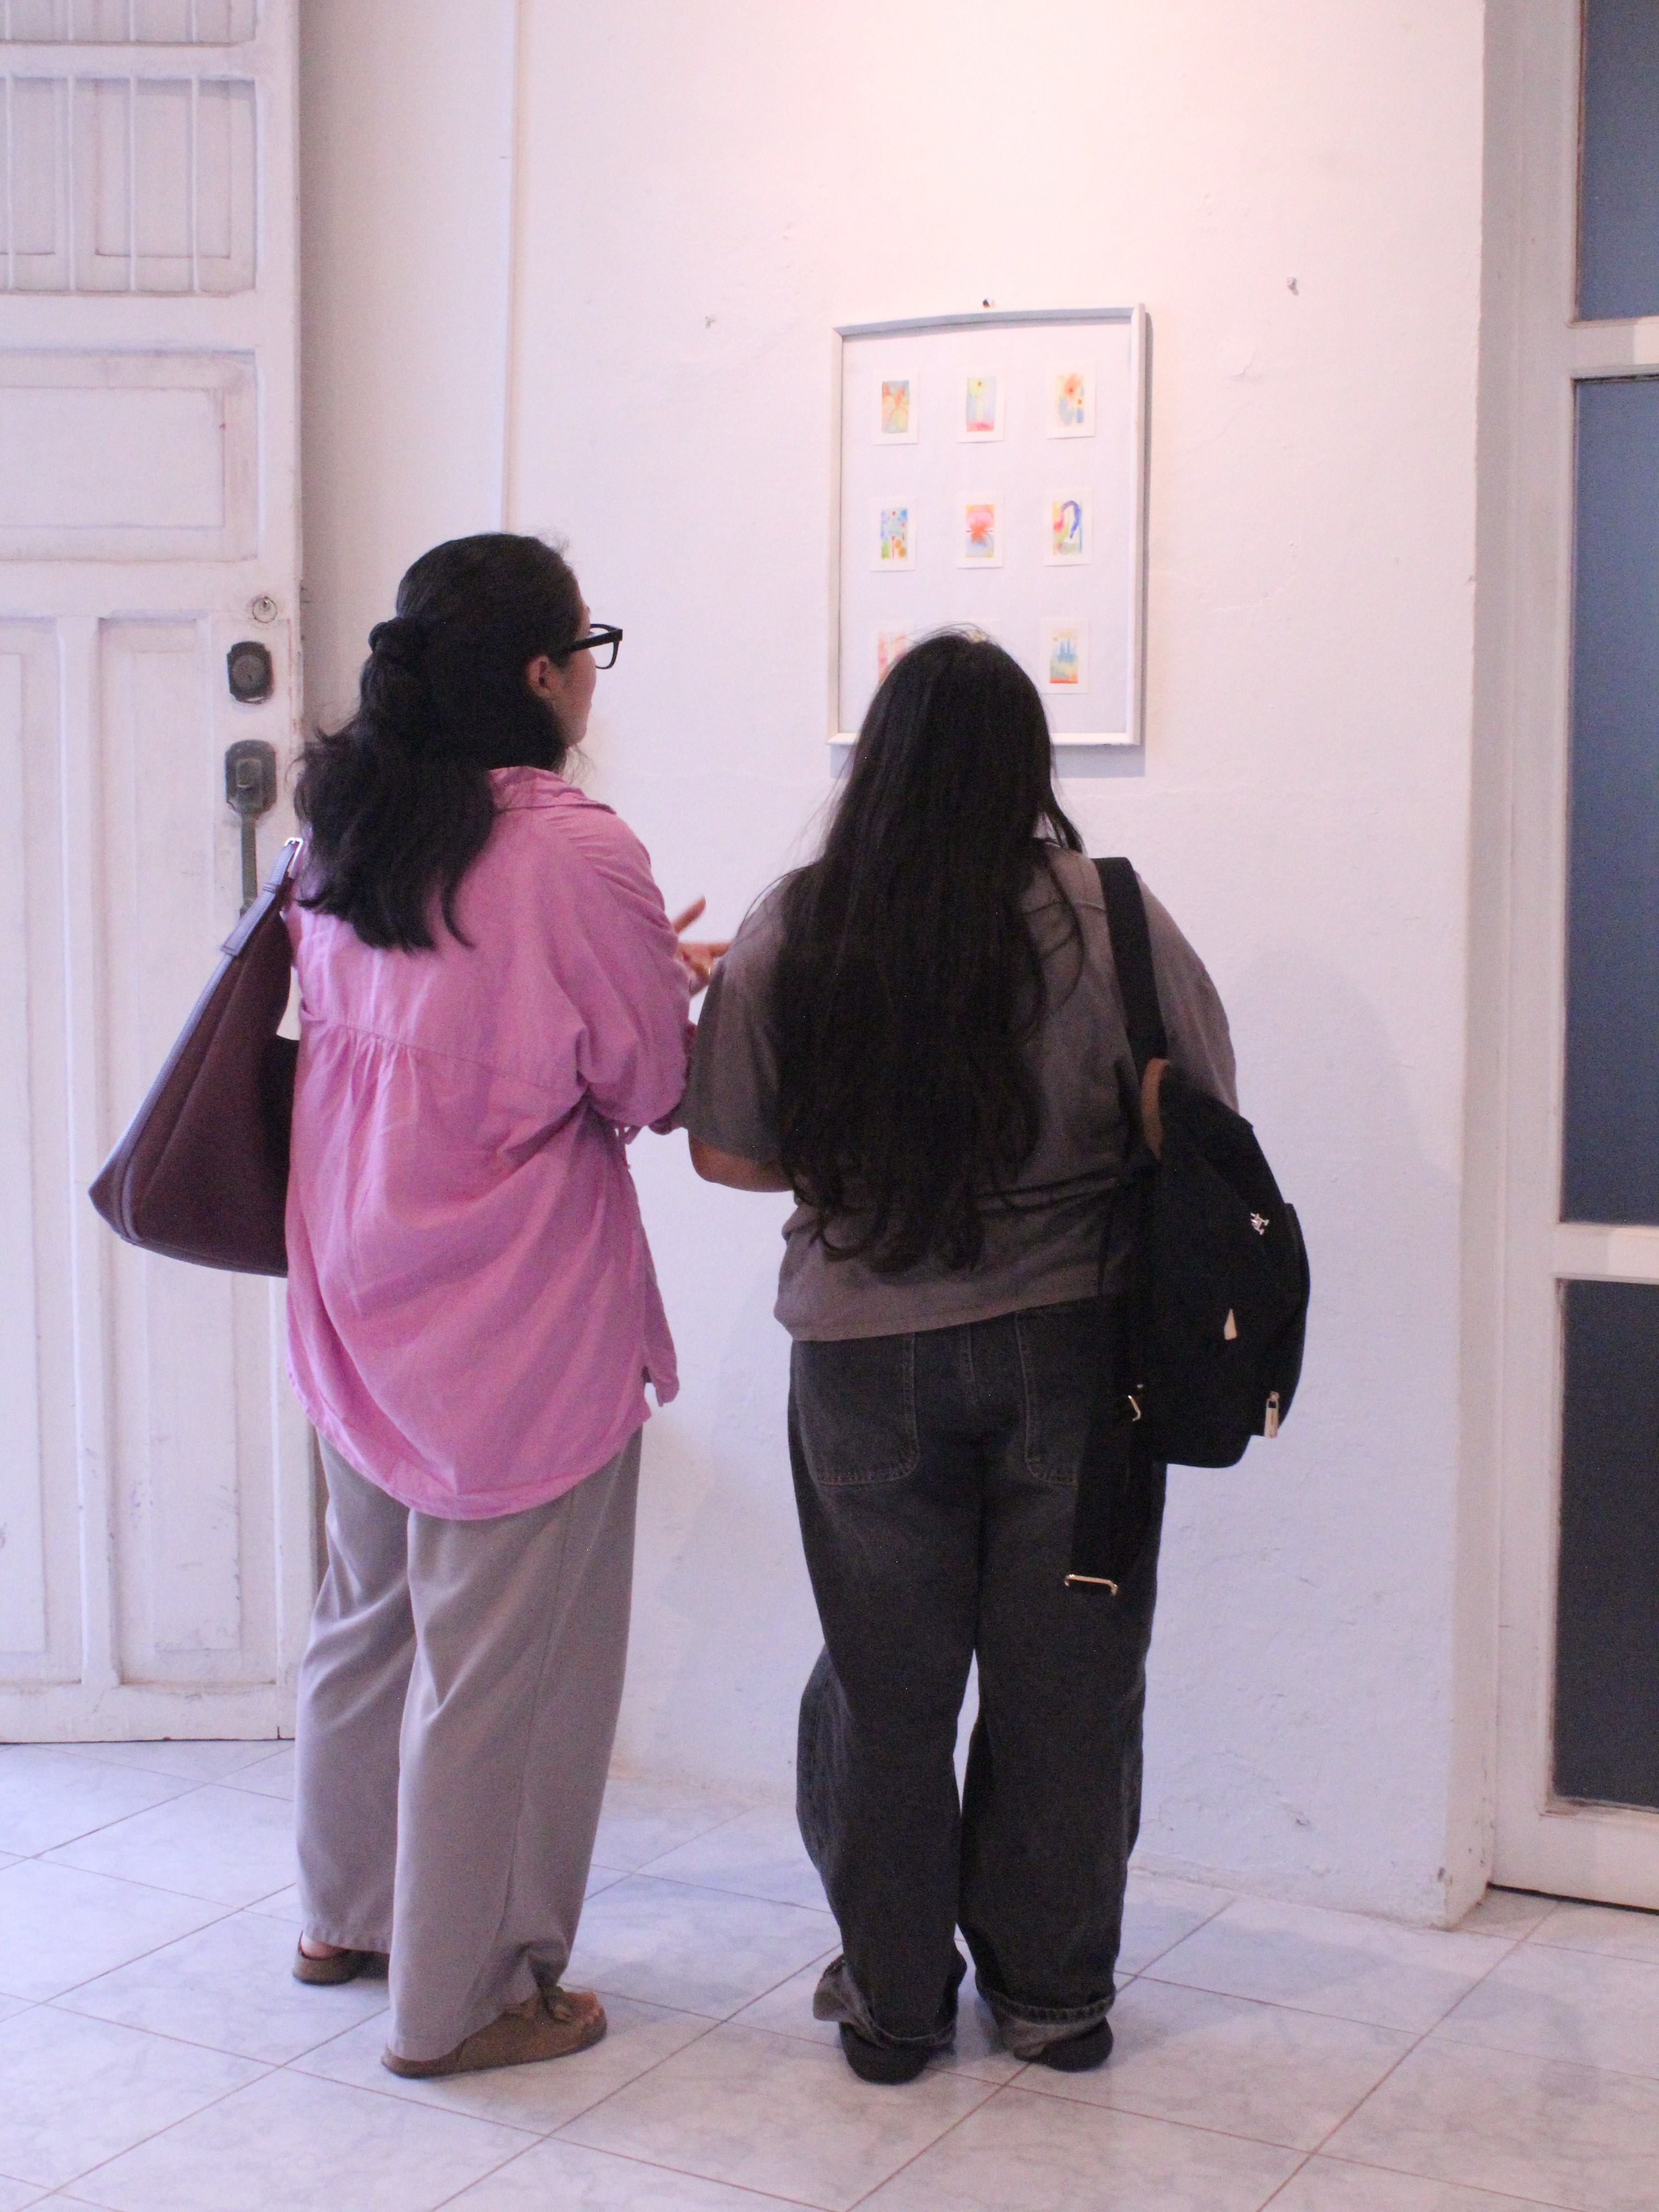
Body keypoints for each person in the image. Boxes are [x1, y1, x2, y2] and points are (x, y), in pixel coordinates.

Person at [684, 631, 1235, 2083]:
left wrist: (859, 1166)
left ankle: (894, 2004)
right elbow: (1204, 1109)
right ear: (1027, 768)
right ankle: (1052, 2000)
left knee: (886, 1684)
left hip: (866, 1359)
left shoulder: (800, 927)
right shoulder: (1114, 915)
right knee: (1068, 1680)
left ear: (879, 762)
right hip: (1078, 1355)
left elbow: (726, 1152)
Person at [283, 532, 722, 2080]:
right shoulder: (574, 852)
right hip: (511, 1303)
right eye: (588, 647)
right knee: (499, 1674)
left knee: (366, 1613)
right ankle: (461, 2000)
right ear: (542, 672)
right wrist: (664, 982)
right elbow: (648, 1082)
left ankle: (347, 1919)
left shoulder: (345, 815)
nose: (595, 676)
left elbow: (403, 1005)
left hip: (353, 1272)